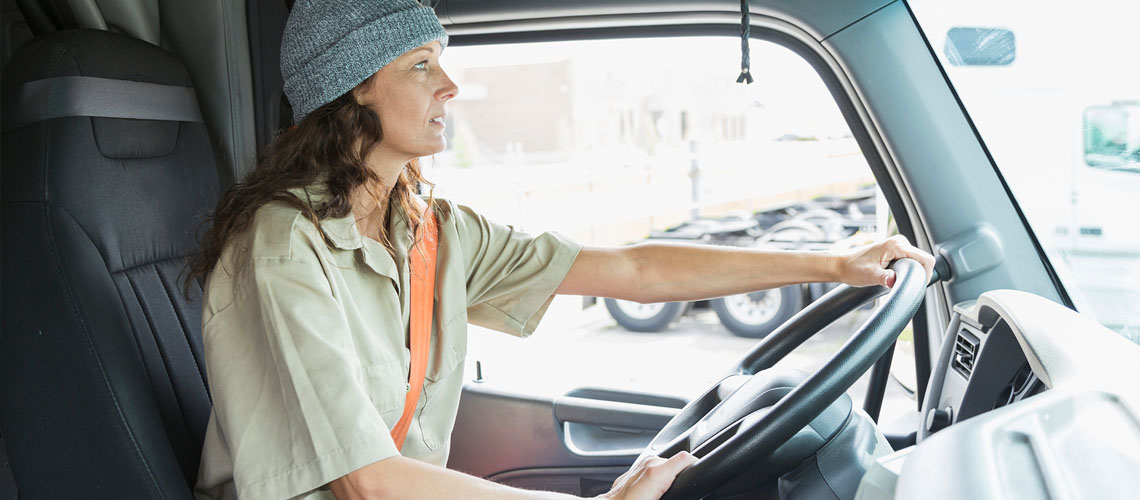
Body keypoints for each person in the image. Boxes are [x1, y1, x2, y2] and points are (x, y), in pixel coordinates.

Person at [186, 1, 936, 499]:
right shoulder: (285, 244)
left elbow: (633, 270)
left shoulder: (428, 228)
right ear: (351, 91)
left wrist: (833, 264)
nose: (450, 85)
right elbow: (365, 482)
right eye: (421, 65)